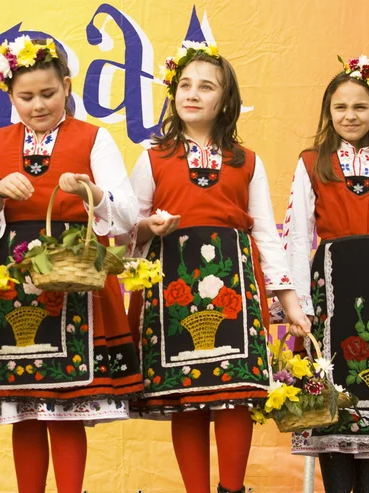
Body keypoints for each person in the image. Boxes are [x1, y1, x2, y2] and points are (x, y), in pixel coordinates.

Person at [124, 40, 311, 493]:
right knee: (186, 398)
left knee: (233, 397)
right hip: (171, 285)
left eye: (206, 87)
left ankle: (232, 489)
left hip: (236, 285)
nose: (192, 93)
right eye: (185, 85)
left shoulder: (247, 162)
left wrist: (291, 302)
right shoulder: (153, 156)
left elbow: (266, 234)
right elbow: (126, 231)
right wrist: (149, 226)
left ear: (225, 100)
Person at [0, 35, 143, 493]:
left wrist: (92, 193)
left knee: (65, 406)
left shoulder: (93, 138)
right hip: (12, 283)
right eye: (26, 97)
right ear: (10, 96)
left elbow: (127, 214)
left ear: (66, 86)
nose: (38, 105)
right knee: (23, 406)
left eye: (48, 94)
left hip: (74, 279)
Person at [283, 55, 369, 493]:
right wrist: (297, 303)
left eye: (359, 107)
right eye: (340, 108)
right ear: (328, 112)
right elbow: (298, 236)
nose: (350, 116)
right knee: (332, 399)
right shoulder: (312, 162)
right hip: (331, 292)